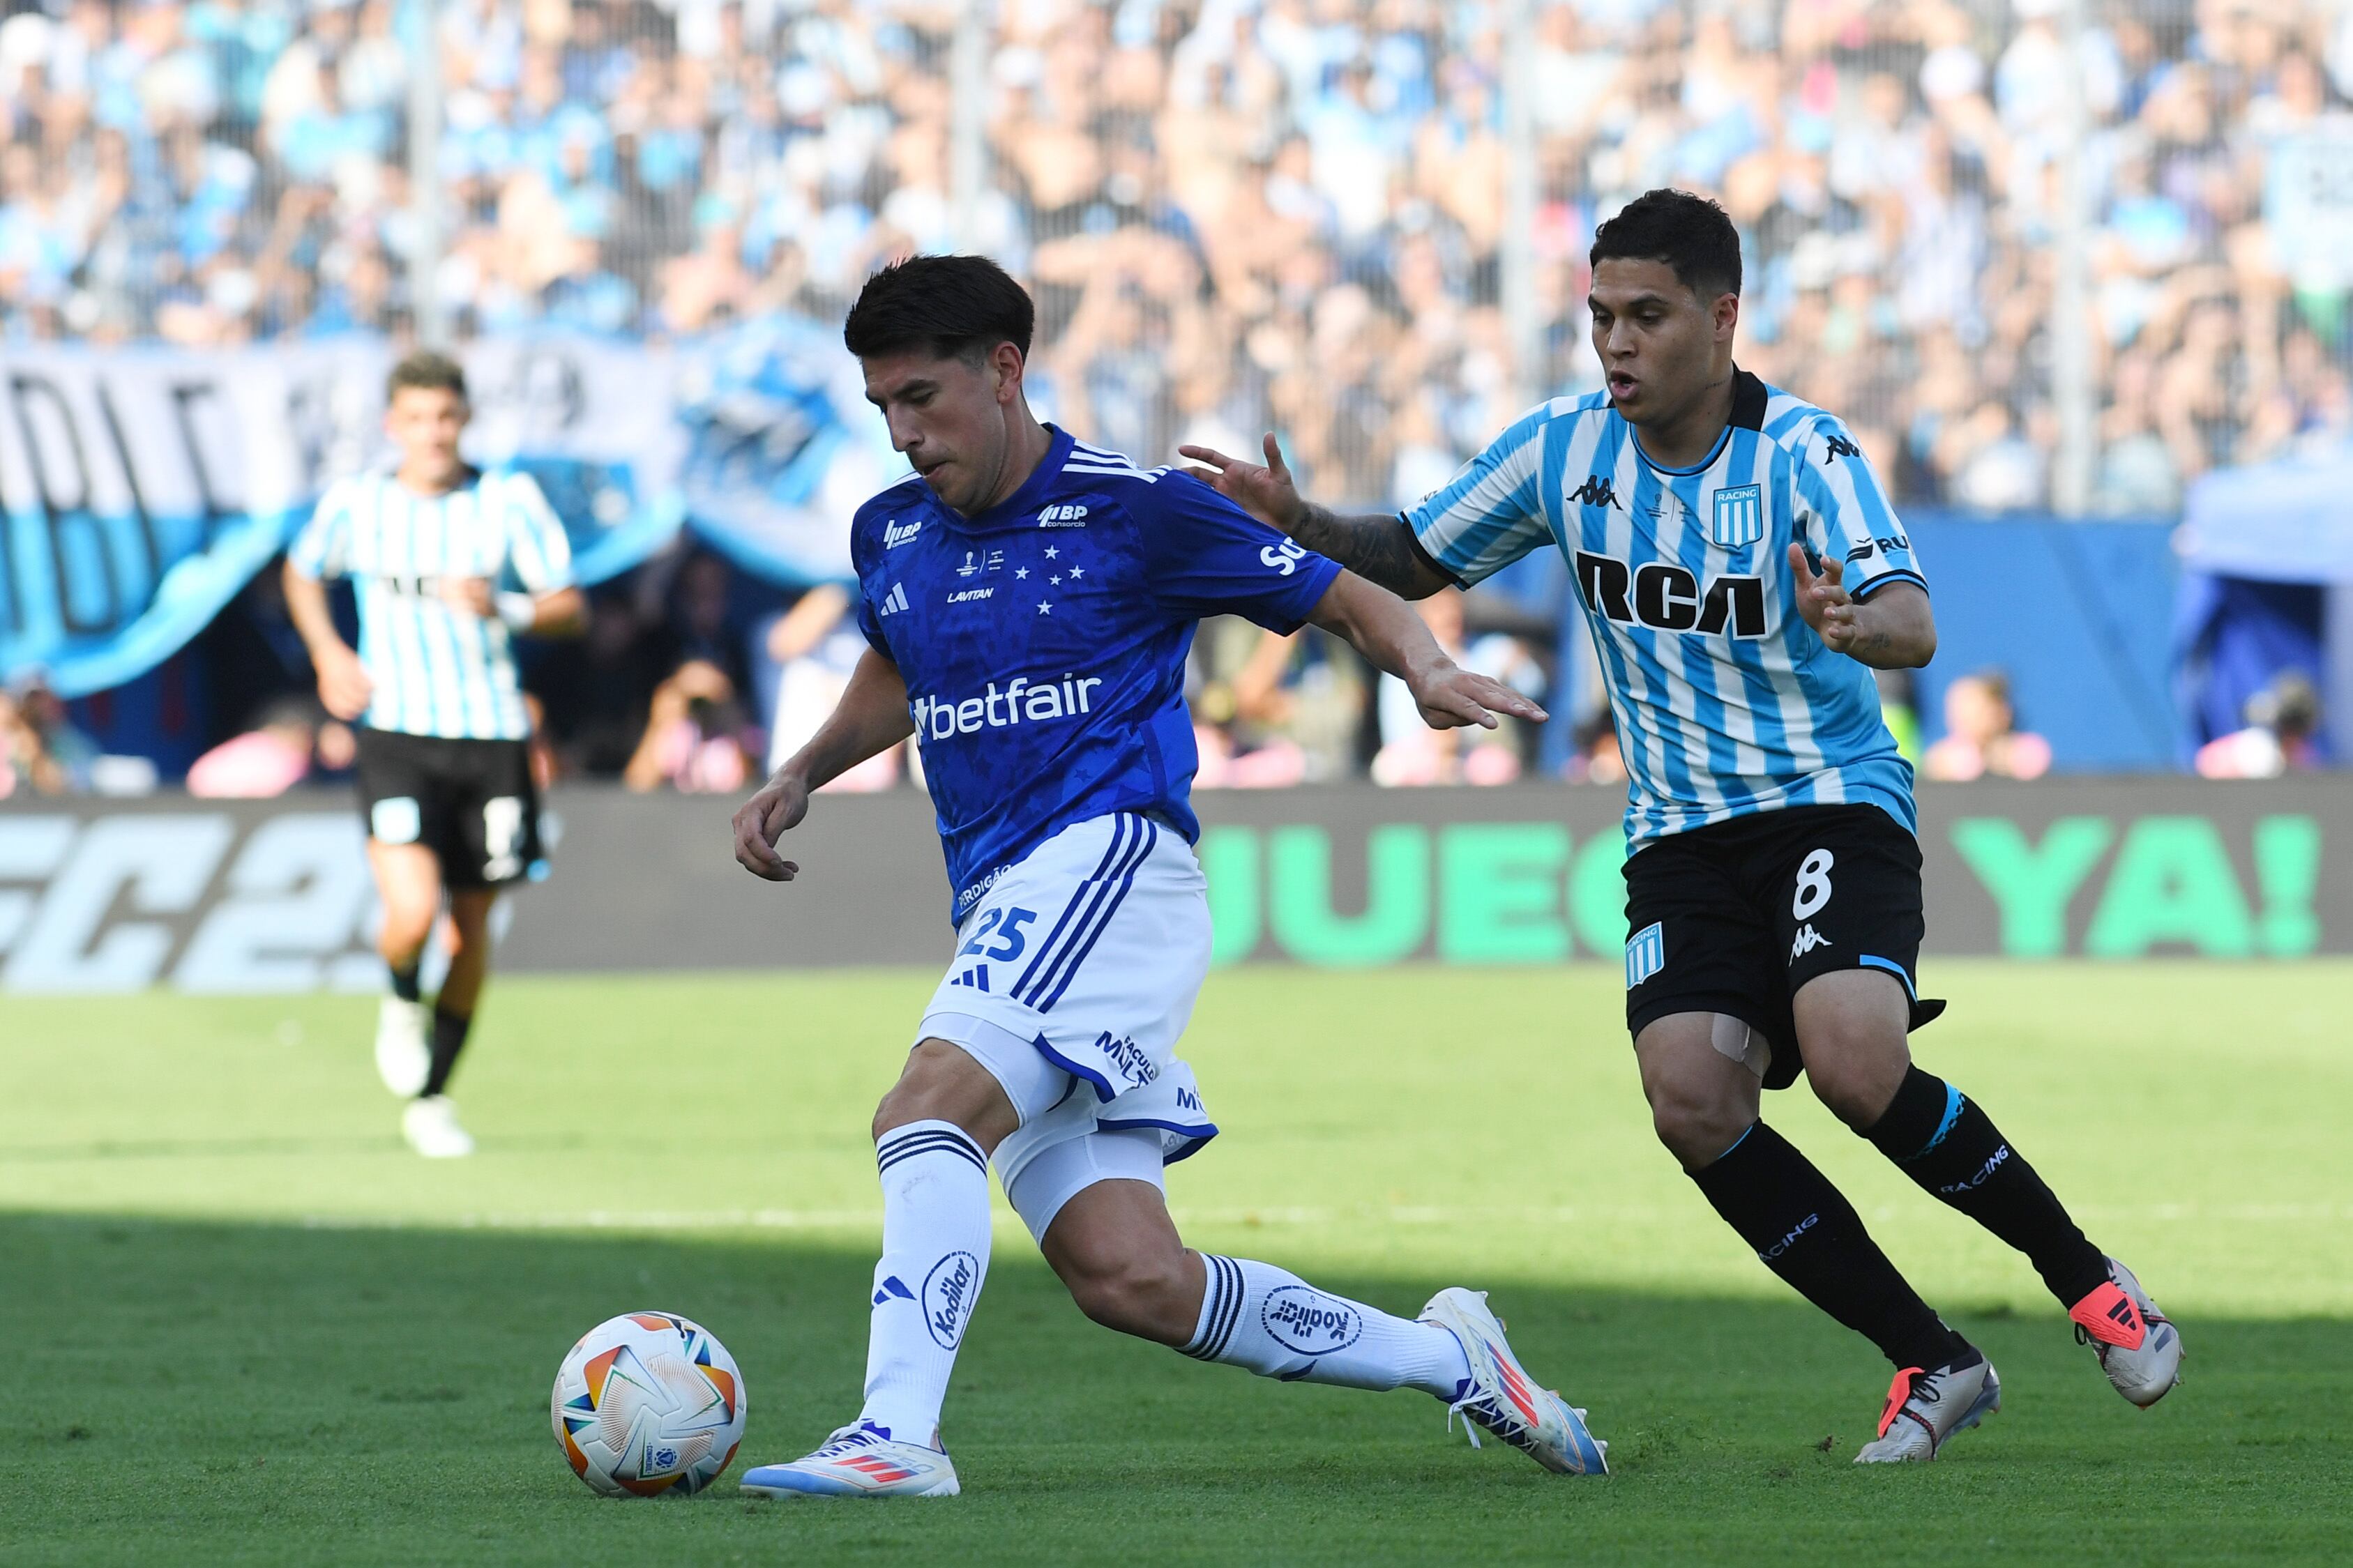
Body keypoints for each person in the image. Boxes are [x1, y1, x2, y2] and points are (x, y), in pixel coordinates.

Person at [1182, 190, 2182, 1464]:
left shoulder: (1802, 453)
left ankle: (2090, 1282)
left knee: (1851, 1062)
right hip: (1677, 831)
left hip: (1826, 793)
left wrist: (1849, 625)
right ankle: (1929, 1359)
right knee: (1691, 1101)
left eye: (1643, 316)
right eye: (1598, 315)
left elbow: (1909, 620)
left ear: (1719, 319)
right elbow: (1417, 553)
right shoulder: (1560, 449)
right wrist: (1300, 517)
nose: (1613, 342)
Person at [727, 255, 1606, 1498]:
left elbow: (1340, 592)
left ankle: (892, 1438)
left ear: (1004, 368)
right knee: (1126, 1272)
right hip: (1006, 898)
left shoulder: (1132, 510)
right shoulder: (892, 529)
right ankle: (1452, 1357)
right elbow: (897, 655)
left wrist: (1420, 662)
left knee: (923, 1109)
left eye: (922, 396)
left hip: (1110, 861)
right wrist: (804, 767)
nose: (904, 430)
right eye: (881, 408)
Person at [284, 351, 584, 1158]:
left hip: (490, 735)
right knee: (412, 910)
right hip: (397, 731)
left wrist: (510, 607)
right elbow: (301, 572)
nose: (433, 434)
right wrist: (327, 653)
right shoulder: (357, 503)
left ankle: (433, 1095)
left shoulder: (506, 499)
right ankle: (396, 998)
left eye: (446, 418)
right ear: (393, 426)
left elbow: (569, 604)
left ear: (464, 420)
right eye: (417, 420)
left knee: (471, 925)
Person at [1921, 669, 2051, 781]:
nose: (1963, 715)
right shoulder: (1943, 756)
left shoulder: (2027, 747)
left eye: (1975, 707)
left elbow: (2035, 765)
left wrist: (2000, 760)